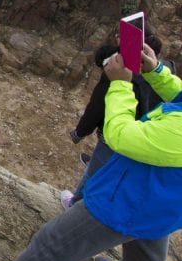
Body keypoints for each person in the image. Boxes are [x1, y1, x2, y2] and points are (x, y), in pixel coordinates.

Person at [0, 27, 182, 261]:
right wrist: (155, 71)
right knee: (147, 255)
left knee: (51, 245)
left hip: (126, 203)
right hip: (167, 204)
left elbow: (119, 136)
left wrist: (121, 84)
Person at [62, 29, 169, 207]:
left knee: (94, 173)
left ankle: (75, 205)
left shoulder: (120, 75)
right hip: (143, 137)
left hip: (116, 134)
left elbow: (98, 106)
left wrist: (80, 132)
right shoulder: (164, 72)